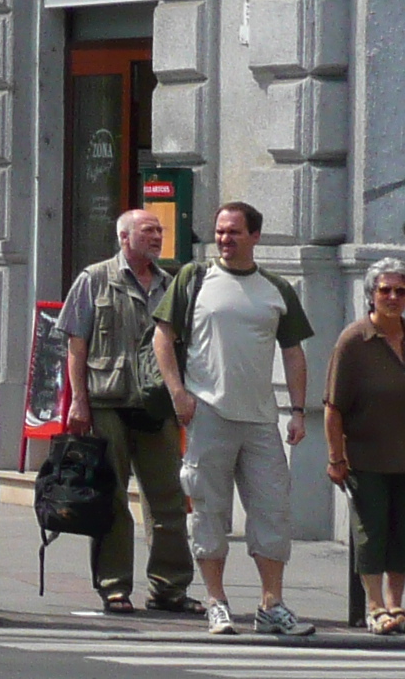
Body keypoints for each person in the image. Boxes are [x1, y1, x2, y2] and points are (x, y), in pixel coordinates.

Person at [155, 199, 318, 636]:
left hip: (261, 419)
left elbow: (294, 352)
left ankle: (272, 606)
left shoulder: (276, 289)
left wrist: (298, 411)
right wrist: (178, 393)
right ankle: (216, 601)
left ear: (255, 236)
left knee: (272, 511)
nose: (224, 240)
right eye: (220, 231)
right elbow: (163, 337)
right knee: (208, 510)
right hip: (208, 412)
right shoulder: (195, 278)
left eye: (234, 232)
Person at [57, 208, 191, 615]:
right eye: (148, 230)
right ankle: (115, 587)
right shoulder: (94, 279)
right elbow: (75, 346)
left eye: (159, 230)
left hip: (154, 406)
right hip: (105, 401)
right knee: (112, 497)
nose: (157, 236)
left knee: (168, 498)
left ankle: (170, 588)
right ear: (123, 237)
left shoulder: (170, 284)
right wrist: (78, 400)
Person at [327, 257, 405, 634]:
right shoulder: (354, 341)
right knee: (371, 533)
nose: (393, 297)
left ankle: (396, 606)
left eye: (400, 291)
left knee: (402, 534)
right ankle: (375, 608)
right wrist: (335, 458)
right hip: (366, 458)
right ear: (371, 295)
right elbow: (333, 407)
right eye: (385, 290)